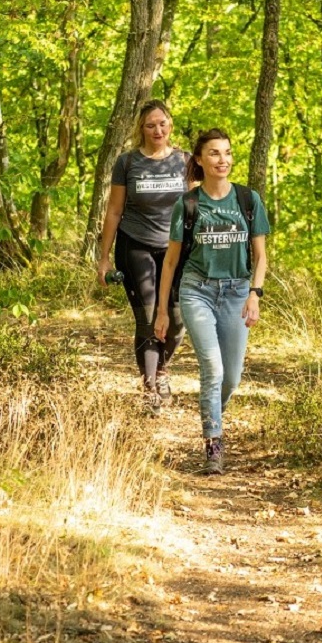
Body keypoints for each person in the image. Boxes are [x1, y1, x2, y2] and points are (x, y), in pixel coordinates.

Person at [155, 129, 270, 474]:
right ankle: (213, 446)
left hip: (236, 293)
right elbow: (171, 262)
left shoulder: (248, 200)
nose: (223, 160)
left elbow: (261, 256)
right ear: (200, 160)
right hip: (197, 291)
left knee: (231, 379)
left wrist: (255, 294)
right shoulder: (188, 204)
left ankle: (210, 411)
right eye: (215, 153)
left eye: (228, 153)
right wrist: (162, 310)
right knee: (213, 369)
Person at [96, 100, 189, 413]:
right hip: (134, 244)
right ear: (141, 129)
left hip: (175, 250)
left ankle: (161, 368)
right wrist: (104, 258)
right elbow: (114, 210)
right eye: (151, 125)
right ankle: (150, 388)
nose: (157, 130)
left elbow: (197, 209)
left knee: (176, 320)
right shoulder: (127, 162)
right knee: (149, 317)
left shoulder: (185, 161)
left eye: (162, 123)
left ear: (170, 125)